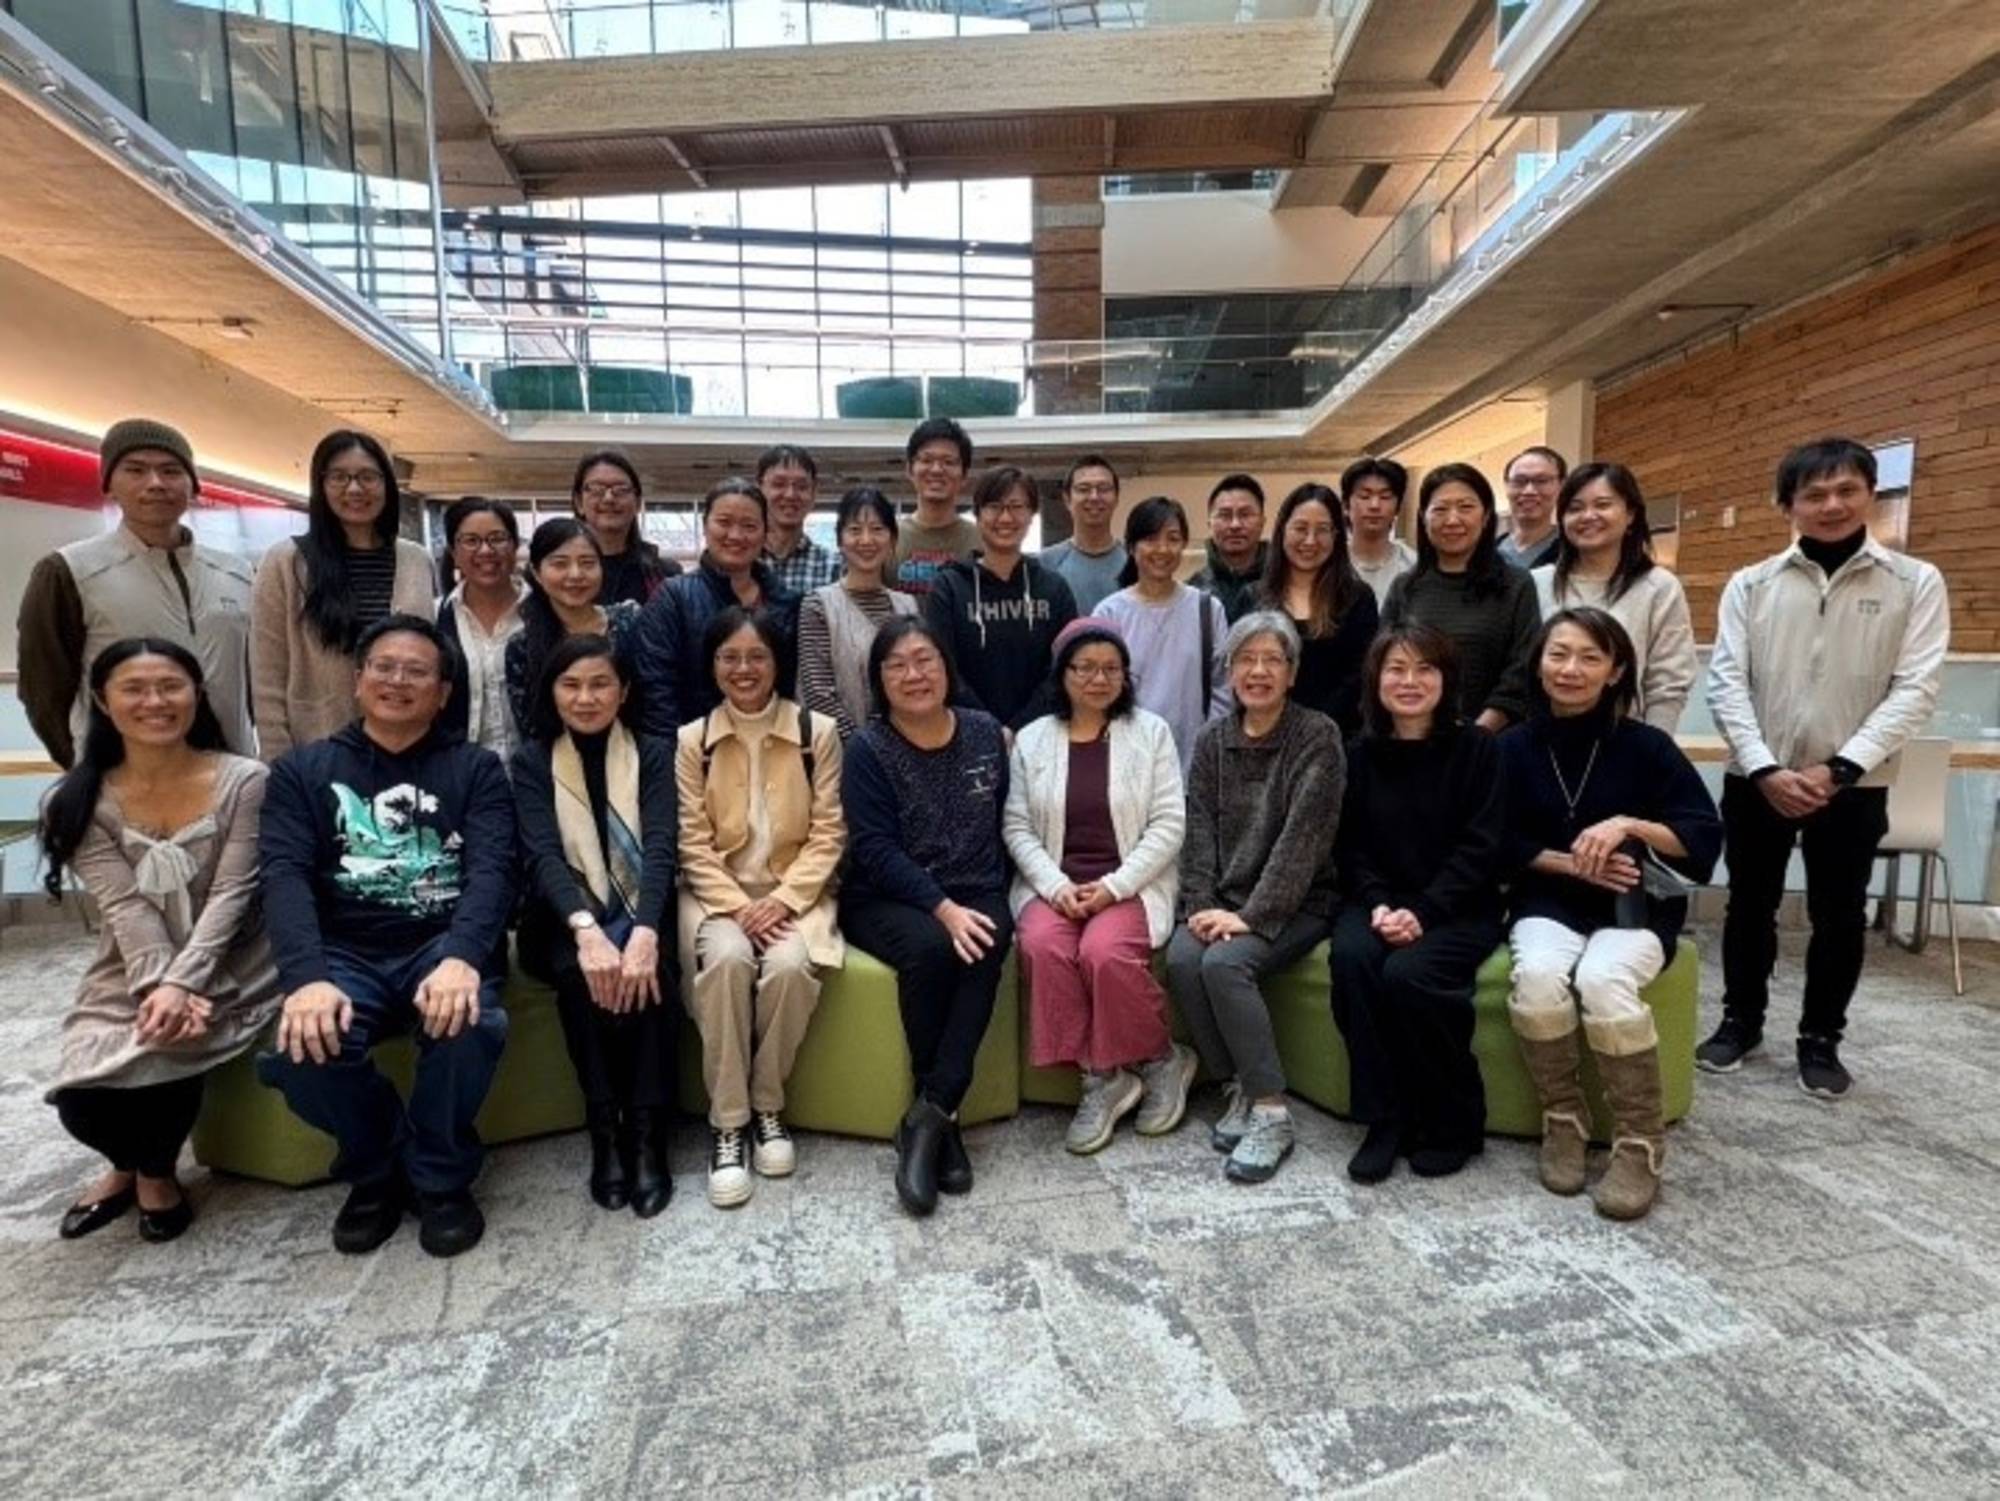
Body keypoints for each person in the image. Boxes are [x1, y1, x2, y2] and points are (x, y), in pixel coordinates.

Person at [256, 615, 515, 1259]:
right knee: (301, 1052)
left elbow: (493, 872)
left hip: (441, 941)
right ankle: (377, 1169)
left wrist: (462, 957)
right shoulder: (304, 772)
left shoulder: (475, 768)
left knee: (471, 1022)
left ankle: (440, 1178)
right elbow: (283, 878)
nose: (398, 681)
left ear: (443, 693)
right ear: (358, 678)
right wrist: (306, 978)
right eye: (385, 667)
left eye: (417, 672)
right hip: (344, 953)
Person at [1700, 437, 1949, 1098]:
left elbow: (1916, 688)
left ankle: (1820, 1038)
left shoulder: (1914, 583)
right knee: (1749, 906)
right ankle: (1739, 1021)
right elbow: (1726, 681)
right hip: (1757, 777)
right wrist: (1762, 768)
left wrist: (1840, 767)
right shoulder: (1751, 584)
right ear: (1789, 504)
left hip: (1854, 783)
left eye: (1846, 490)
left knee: (1839, 915)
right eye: (1814, 493)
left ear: (1871, 494)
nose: (1831, 504)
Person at [36, 638, 280, 1244]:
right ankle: (126, 1165)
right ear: (102, 700)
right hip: (133, 961)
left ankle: (153, 1176)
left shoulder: (246, 781)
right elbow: (124, 904)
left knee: (164, 1051)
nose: (155, 702)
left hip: (235, 956)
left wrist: (184, 983)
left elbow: (233, 893)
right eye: (134, 689)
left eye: (170, 686)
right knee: (82, 1091)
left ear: (197, 694)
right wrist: (160, 986)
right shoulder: (77, 799)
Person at [1503, 608, 1722, 1219]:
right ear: (1539, 663)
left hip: (1634, 906)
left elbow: (1702, 835)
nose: (1571, 669)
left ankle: (1638, 1142)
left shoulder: (1647, 746)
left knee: (1602, 980)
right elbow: (1495, 841)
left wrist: (1630, 824)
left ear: (1616, 669)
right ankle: (1564, 1118)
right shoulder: (1512, 747)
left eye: (1589, 657)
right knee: (1541, 978)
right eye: (1559, 654)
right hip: (1548, 901)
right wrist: (1568, 864)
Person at [840, 617, 1013, 1217]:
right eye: (897, 665)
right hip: (885, 895)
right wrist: (940, 908)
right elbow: (875, 849)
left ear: (947, 667)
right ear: (878, 679)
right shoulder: (867, 748)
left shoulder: (987, 733)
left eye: (925, 660)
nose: (914, 674)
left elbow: (1001, 820)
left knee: (989, 939)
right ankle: (945, 1122)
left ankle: (930, 1117)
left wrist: (967, 906)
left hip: (976, 883)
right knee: (932, 949)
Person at [1167, 611, 1344, 1185]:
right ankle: (1237, 1084)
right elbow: (1198, 835)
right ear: (1229, 671)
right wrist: (1198, 906)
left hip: (1299, 901)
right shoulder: (1213, 741)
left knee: (1223, 964)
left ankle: (1271, 1110)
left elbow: (1303, 844)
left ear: (1292, 673)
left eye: (1272, 660)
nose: (1258, 671)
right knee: (1182, 956)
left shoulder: (1316, 735)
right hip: (1223, 899)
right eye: (1246, 659)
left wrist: (1248, 918)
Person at [677, 608, 846, 1208]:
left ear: (777, 663)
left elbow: (830, 832)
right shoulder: (690, 739)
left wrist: (782, 900)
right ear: (713, 665)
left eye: (757, 657)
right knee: (725, 963)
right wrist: (735, 905)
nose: (743, 669)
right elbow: (691, 843)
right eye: (730, 658)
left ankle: (766, 1106)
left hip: (795, 896)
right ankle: (728, 1123)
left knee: (791, 967)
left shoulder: (816, 733)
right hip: (716, 898)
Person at [1005, 619, 1193, 1155]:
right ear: (1062, 674)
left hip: (1131, 883)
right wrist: (1053, 884)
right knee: (1042, 946)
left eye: (1111, 668)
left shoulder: (1150, 733)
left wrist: (1114, 886)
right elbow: (1016, 825)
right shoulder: (1034, 739)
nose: (1097, 678)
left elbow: (1168, 823)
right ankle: (1100, 1078)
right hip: (1055, 884)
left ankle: (1161, 1058)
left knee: (1104, 952)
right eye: (1084, 667)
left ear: (1126, 677)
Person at [1330, 625, 1506, 1186]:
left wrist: (1424, 913)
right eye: (1396, 669)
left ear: (1445, 679)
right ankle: (1385, 1118)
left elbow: (1483, 847)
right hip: (1381, 900)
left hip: (1459, 906)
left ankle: (1454, 1118)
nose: (1410, 681)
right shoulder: (1359, 753)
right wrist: (1381, 905)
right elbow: (1351, 847)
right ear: (1375, 681)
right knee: (1354, 959)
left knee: (1410, 975)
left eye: (1424, 669)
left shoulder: (1478, 749)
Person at [513, 634, 679, 1220]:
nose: (586, 698)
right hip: (561, 918)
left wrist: (643, 929)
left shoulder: (654, 754)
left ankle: (648, 1134)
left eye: (600, 683)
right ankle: (605, 1131)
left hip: (642, 910)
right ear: (551, 692)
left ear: (624, 690)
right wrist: (586, 931)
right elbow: (541, 856)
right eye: (571, 684)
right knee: (583, 977)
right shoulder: (532, 760)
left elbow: (661, 849)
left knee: (651, 974)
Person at [20, 418, 256, 767]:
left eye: (171, 471)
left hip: (232, 777)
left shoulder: (237, 573)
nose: (156, 483)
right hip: (123, 784)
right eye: (136, 470)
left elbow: (253, 682)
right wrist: (84, 771)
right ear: (109, 485)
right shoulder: (70, 571)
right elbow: (44, 691)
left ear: (193, 486)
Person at [250, 430, 436, 760]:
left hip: (407, 747)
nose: (354, 489)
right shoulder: (286, 561)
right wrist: (277, 760)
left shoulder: (416, 559)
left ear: (387, 486)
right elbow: (267, 674)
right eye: (339, 477)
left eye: (368, 477)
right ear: (320, 485)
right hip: (317, 748)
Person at [1533, 462, 1696, 733]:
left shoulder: (1659, 587)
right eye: (1575, 508)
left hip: (1624, 743)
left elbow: (1668, 682)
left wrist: (1654, 749)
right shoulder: (1537, 582)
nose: (1588, 516)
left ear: (1630, 513)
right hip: (1542, 741)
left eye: (1602, 504)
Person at [1381, 463, 1541, 732]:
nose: (1452, 520)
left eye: (1466, 507)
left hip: (1492, 742)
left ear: (1486, 515)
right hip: (1414, 740)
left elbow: (1523, 668)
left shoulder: (1516, 584)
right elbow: (1383, 664)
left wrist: (1478, 736)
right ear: (1423, 517)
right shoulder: (1405, 587)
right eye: (1440, 509)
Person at [637, 477, 799, 736]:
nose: (735, 535)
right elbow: (656, 691)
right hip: (695, 753)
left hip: (774, 749)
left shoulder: (786, 602)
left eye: (749, 525)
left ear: (765, 532)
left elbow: (790, 690)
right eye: (724, 523)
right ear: (705, 526)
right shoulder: (673, 598)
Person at [924, 466, 1079, 731]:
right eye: (994, 506)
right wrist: (990, 728)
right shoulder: (948, 587)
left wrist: (1020, 727)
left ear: (1032, 514)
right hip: (965, 734)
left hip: (1043, 734)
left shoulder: (1055, 589)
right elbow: (943, 667)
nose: (1005, 518)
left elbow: (1067, 666)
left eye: (1017, 506)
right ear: (978, 514)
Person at [1091, 496, 1230, 773]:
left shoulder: (1206, 609)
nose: (1162, 549)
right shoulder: (1109, 613)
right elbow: (1096, 691)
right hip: (1126, 763)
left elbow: (1224, 686)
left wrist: (1207, 748)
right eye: (1151, 539)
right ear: (1131, 546)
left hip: (1194, 764)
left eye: (1173, 538)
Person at [1257, 482, 1378, 738]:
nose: (1310, 541)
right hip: (1268, 738)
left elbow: (1361, 675)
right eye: (1300, 528)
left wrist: (1312, 729)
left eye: (1322, 530)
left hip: (1338, 739)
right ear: (1282, 531)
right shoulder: (1255, 598)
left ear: (1336, 536)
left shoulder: (1357, 598)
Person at [797, 487, 918, 741]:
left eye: (877, 529)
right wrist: (864, 751)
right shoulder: (818, 605)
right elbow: (818, 694)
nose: (866, 540)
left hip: (905, 747)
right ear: (840, 540)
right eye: (854, 530)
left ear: (893, 539)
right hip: (838, 755)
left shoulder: (908, 606)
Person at [505, 518, 642, 740]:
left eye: (587, 563)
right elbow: (530, 728)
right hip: (555, 763)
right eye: (560, 564)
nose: (576, 574)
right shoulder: (522, 645)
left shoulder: (629, 620)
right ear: (537, 572)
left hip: (634, 756)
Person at [436, 497, 527, 764]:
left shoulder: (544, 612)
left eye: (497, 538)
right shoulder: (433, 617)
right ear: (453, 551)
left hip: (537, 778)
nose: (486, 550)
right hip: (459, 775)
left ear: (514, 545)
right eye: (471, 541)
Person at [572, 450, 679, 607]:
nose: (609, 498)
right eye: (596, 488)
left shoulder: (665, 575)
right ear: (579, 502)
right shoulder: (560, 573)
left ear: (638, 503)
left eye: (621, 489)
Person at [894, 417, 980, 598]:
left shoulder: (982, 542)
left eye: (948, 462)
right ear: (910, 469)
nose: (936, 470)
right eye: (926, 460)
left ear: (964, 475)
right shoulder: (888, 539)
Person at [1040, 455, 1127, 613]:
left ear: (1116, 498)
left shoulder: (1134, 560)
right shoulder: (1044, 564)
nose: (1094, 497)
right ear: (1067, 499)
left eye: (1103, 489)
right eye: (1083, 489)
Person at [757, 443, 842, 595]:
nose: (790, 494)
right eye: (778, 484)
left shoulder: (834, 568)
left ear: (814, 493)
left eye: (801, 486)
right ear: (760, 489)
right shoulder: (740, 563)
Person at [1188, 474, 1269, 622]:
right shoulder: (1193, 591)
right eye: (1224, 515)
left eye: (1245, 514)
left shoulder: (1284, 582)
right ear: (1209, 523)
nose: (1235, 525)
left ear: (1262, 521)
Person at [1342, 456, 1418, 608]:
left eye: (1385, 497)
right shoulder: (1330, 563)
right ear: (1346, 504)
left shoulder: (1413, 566)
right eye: (1365, 496)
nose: (1375, 505)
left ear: (1398, 506)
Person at [1498, 445, 1567, 570]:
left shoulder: (1574, 552)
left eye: (1541, 481)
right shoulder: (1486, 554)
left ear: (1561, 486)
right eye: (1519, 481)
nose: (1529, 491)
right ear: (1506, 486)